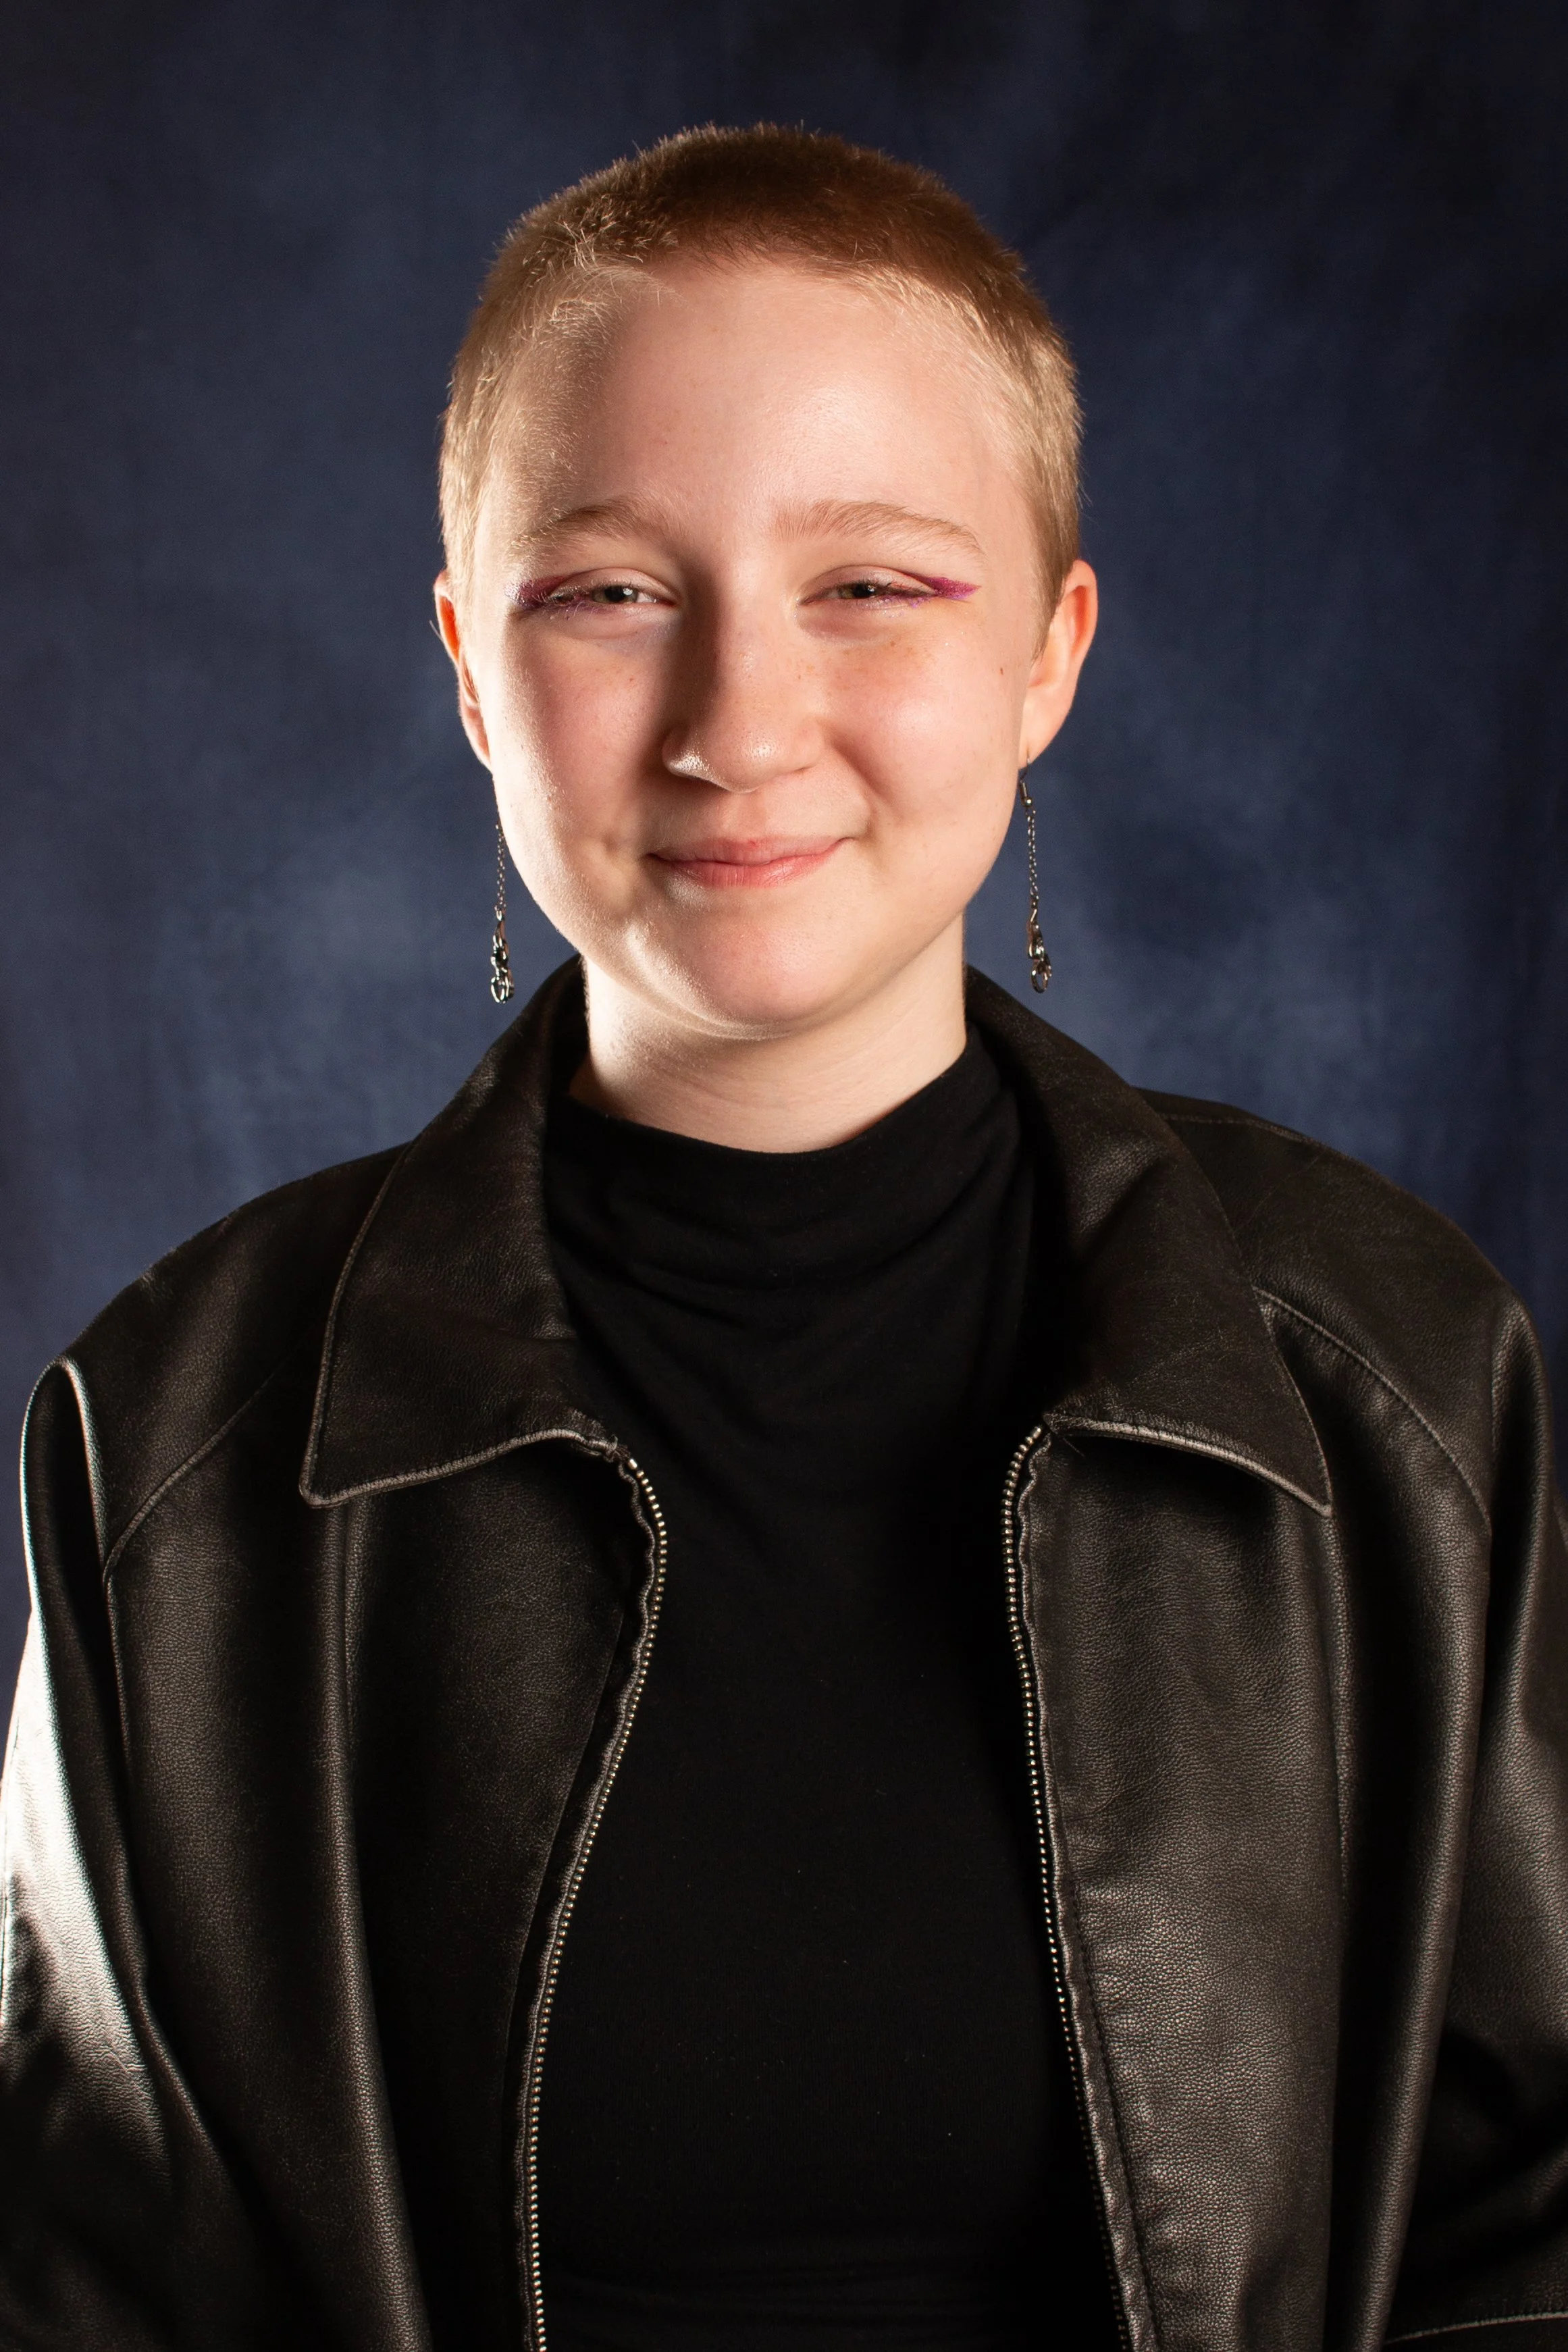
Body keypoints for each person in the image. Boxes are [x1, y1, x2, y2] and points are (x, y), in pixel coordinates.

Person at [1, 122, 1565, 2352]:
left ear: (1049, 652)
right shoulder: (164, 1453)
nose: (740, 725)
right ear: (469, 666)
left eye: (873, 585)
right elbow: (89, 2280)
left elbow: (1530, 2226)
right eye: (610, 590)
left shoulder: (1397, 1375)